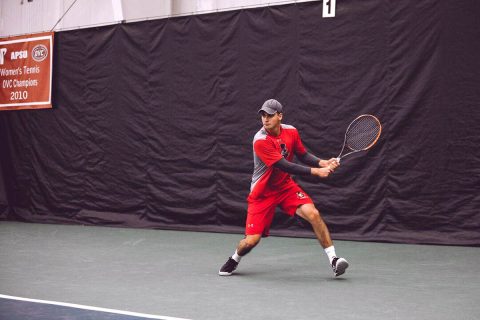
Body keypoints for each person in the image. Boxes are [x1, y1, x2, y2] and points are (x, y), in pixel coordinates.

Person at [219, 99, 349, 277]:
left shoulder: (291, 131)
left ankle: (334, 259)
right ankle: (235, 258)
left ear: (280, 116)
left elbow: (302, 154)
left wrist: (322, 162)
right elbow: (284, 165)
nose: (266, 119)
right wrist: (317, 172)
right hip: (262, 192)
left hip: (284, 187)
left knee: (313, 214)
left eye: (270, 115)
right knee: (251, 241)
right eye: (263, 115)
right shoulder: (260, 140)